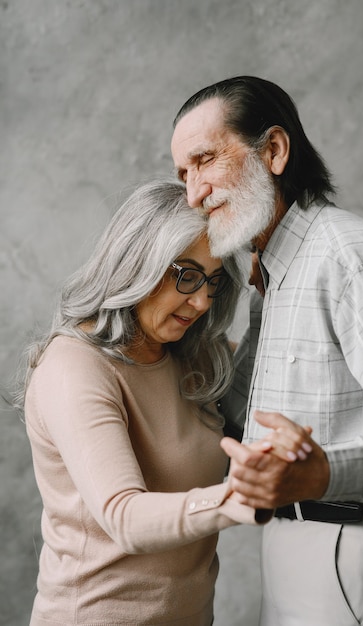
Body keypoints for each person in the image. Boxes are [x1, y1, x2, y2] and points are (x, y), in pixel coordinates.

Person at [171, 76, 363, 626]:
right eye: (183, 174)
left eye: (205, 160)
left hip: (351, 552)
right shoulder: (273, 274)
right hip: (292, 547)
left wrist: (324, 472)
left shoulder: (347, 254)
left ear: (275, 152)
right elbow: (234, 423)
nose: (193, 194)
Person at [20, 179, 312, 626]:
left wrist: (267, 296)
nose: (200, 301)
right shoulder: (74, 366)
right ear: (138, 261)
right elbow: (124, 516)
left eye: (212, 280)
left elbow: (282, 380)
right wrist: (235, 500)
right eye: (187, 275)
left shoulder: (194, 355)